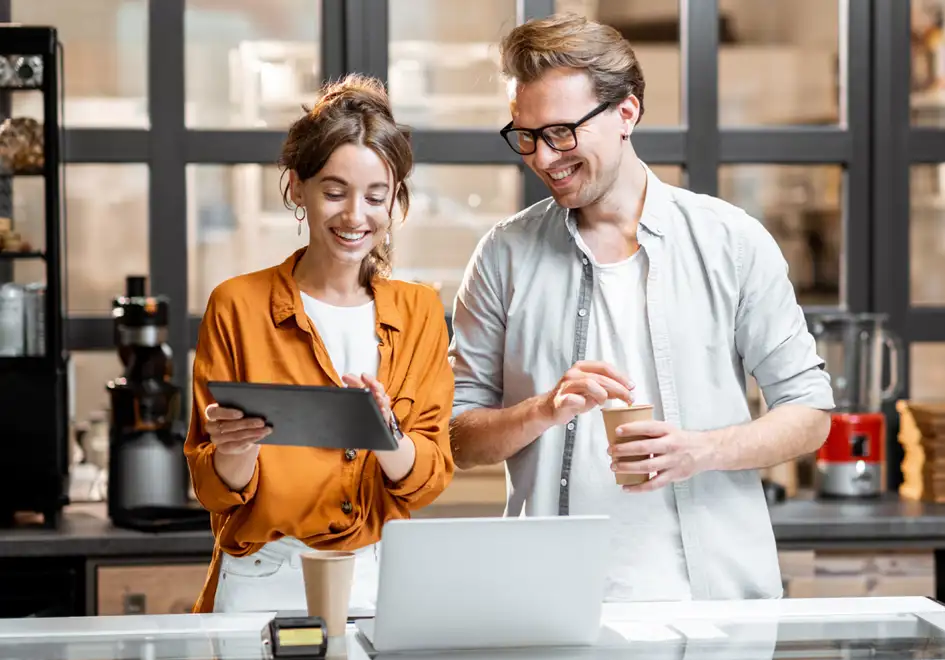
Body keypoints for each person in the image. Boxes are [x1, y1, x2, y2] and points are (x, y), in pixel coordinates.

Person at [448, 13, 834, 602]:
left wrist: (700, 450)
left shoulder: (730, 240)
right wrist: (541, 411)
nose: (543, 158)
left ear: (626, 113)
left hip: (715, 608)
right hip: (550, 605)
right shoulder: (504, 255)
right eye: (525, 135)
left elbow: (809, 412)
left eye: (561, 132)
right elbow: (456, 435)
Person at [184, 74, 455, 614]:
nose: (355, 216)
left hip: (378, 580)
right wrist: (237, 450)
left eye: (376, 197)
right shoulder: (237, 305)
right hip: (264, 576)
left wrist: (385, 434)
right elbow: (213, 490)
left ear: (395, 200)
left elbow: (425, 482)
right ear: (296, 189)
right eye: (334, 192)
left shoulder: (420, 310)